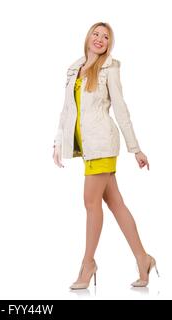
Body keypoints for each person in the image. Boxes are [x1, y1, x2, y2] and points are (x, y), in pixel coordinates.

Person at [53, 22, 158, 289]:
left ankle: (87, 264)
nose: (100, 39)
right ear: (87, 37)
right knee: (116, 204)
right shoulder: (74, 68)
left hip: (102, 143)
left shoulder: (110, 68)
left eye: (106, 37)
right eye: (96, 34)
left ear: (110, 44)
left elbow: (121, 108)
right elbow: (67, 110)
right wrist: (58, 143)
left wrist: (135, 148)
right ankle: (143, 258)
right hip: (87, 147)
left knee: (90, 203)